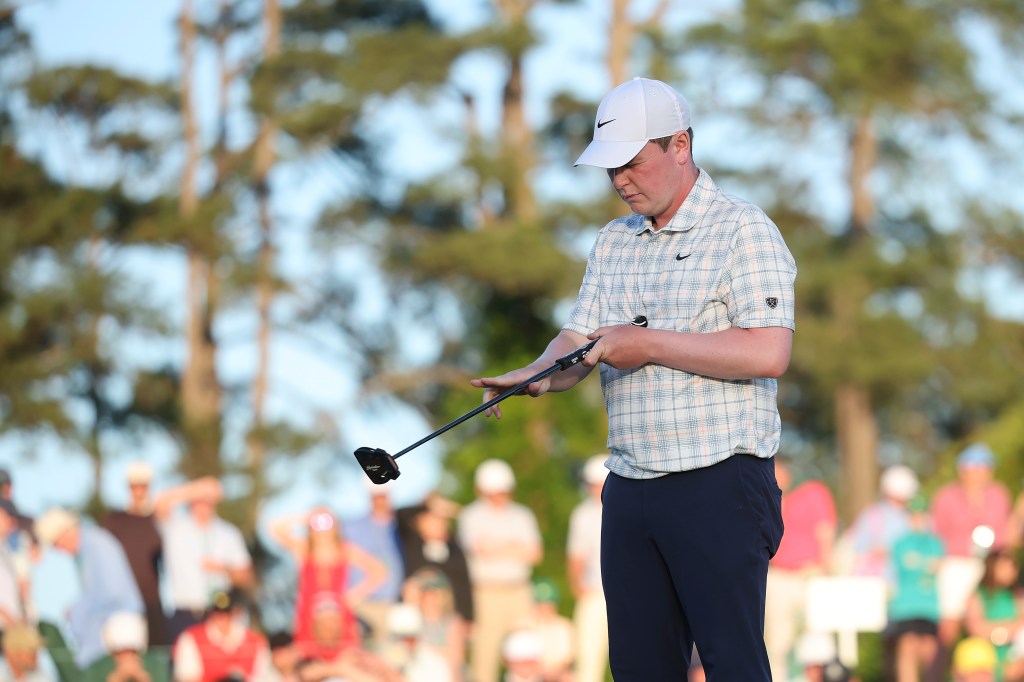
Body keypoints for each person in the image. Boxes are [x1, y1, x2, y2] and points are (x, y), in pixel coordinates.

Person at [470, 76, 795, 680]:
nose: (620, 180)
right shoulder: (613, 242)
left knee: (732, 665)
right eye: (609, 169)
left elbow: (768, 352)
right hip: (629, 486)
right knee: (639, 670)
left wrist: (645, 344)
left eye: (632, 163)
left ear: (679, 145)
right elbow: (579, 339)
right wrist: (537, 374)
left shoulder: (743, 229)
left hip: (720, 480)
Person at [458, 459, 543, 682]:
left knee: (526, 652)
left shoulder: (522, 514)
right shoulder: (470, 516)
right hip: (486, 593)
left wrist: (496, 546)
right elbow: (480, 549)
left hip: (519, 591)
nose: (498, 496)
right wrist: (515, 547)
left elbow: (534, 554)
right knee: (485, 657)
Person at [265, 507, 387, 662]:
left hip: (340, 618)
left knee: (348, 658)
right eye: (317, 524)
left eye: (327, 522)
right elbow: (274, 528)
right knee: (309, 662)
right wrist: (306, 518)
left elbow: (379, 571)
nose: (322, 529)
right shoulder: (304, 549)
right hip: (309, 618)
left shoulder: (344, 550)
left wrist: (357, 594)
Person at [33, 508, 144, 669]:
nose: (59, 550)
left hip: (120, 634)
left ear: (65, 531)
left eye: (57, 544)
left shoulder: (98, 543)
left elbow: (114, 593)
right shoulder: (84, 552)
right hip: (107, 635)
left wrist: (78, 608)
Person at [933, 444, 1013, 659]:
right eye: (978, 467)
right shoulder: (946, 496)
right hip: (956, 564)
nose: (983, 473)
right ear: (963, 470)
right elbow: (936, 535)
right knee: (949, 626)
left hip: (991, 563)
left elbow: (1005, 534)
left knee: (997, 618)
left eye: (986, 467)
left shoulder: (999, 494)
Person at [155, 476, 254, 645]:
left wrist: (224, 569)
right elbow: (160, 504)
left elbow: (246, 577)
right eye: (199, 499)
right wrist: (197, 487)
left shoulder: (228, 533)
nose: (204, 504)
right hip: (185, 613)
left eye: (208, 499)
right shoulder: (176, 528)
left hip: (220, 612)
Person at [765, 457, 837, 682]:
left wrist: (826, 568)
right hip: (779, 576)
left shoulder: (814, 491)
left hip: (810, 574)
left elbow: (825, 531)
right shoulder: (769, 498)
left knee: (816, 641)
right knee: (777, 641)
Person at [103, 461, 168, 647]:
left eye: (143, 485)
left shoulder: (158, 520)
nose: (139, 491)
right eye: (135, 486)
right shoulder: (115, 521)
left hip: (152, 601)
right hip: (121, 602)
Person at [884, 494, 945, 682]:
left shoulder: (935, 543)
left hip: (929, 608)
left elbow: (933, 567)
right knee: (908, 647)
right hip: (906, 607)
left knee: (929, 650)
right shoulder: (901, 543)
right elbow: (910, 566)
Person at [397, 493, 474, 626]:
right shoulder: (412, 544)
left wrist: (468, 618)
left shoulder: (454, 549)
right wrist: (428, 504)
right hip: (417, 619)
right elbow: (401, 515)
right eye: (432, 519)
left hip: (447, 618)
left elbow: (463, 584)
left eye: (442, 520)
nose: (438, 524)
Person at [345, 479, 405, 650]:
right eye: (376, 496)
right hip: (362, 606)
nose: (380, 500)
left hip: (394, 604)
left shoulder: (401, 526)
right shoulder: (352, 528)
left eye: (383, 495)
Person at [566, 454, 610, 682]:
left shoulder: (622, 507)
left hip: (625, 593)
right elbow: (576, 557)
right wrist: (578, 588)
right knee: (588, 661)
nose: (594, 488)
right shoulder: (582, 514)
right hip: (593, 594)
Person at [172, 588, 271, 682]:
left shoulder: (256, 640)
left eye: (226, 612)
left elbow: (263, 676)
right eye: (217, 611)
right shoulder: (191, 638)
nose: (222, 617)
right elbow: (187, 677)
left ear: (235, 612)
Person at [847, 465, 920, 578]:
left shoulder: (910, 518)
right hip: (878, 582)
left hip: (900, 582)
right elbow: (857, 551)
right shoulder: (872, 515)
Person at [964, 549, 1024, 680]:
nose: (1011, 570)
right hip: (984, 654)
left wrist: (994, 630)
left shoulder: (1017, 595)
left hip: (1013, 654)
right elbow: (976, 628)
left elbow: (1021, 625)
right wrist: (1005, 633)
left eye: (1013, 566)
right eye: (1005, 566)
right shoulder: (978, 595)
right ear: (992, 566)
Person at [526, 579, 574, 682]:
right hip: (531, 672)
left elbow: (567, 658)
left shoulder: (564, 625)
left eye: (548, 603)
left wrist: (553, 672)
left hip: (558, 673)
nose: (544, 607)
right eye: (540, 603)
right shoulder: (525, 626)